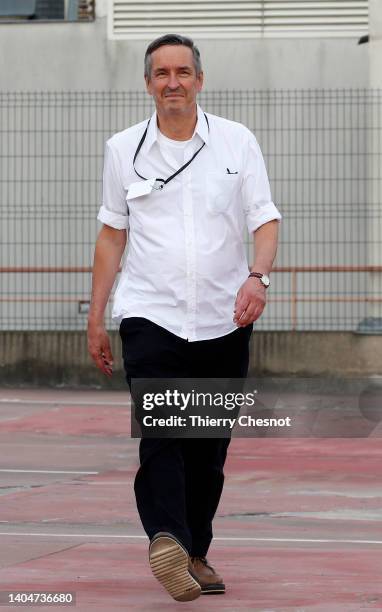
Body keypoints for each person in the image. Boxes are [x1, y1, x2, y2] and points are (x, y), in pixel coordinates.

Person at [87, 33, 281, 603]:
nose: (172, 82)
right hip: (151, 314)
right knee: (164, 433)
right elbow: (111, 235)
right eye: (161, 73)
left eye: (182, 72)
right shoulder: (123, 148)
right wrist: (97, 317)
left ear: (200, 79)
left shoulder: (236, 142)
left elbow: (264, 220)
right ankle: (166, 538)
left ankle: (194, 552)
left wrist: (258, 276)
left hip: (225, 316)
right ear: (148, 83)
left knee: (208, 448)